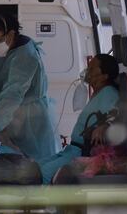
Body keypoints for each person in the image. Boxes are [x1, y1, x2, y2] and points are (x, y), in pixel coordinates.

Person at [0, 15, 58, 162]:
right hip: (18, 115)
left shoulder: (25, 56)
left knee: (36, 165)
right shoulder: (12, 47)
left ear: (11, 34)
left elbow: (13, 92)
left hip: (32, 120)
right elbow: (1, 64)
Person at [38, 54, 120, 184]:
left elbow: (115, 114)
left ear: (105, 76)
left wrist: (105, 125)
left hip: (81, 152)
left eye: (92, 69)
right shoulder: (98, 93)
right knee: (36, 166)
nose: (88, 71)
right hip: (72, 150)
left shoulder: (109, 93)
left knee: (43, 173)